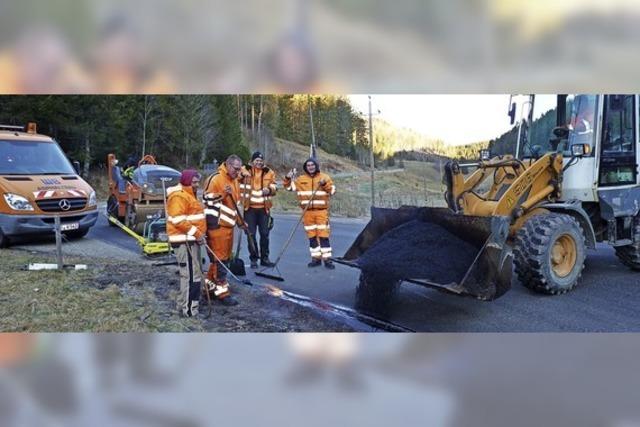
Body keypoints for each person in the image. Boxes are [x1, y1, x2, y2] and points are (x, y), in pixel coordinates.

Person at [203, 155, 246, 306]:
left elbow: (235, 206)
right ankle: (223, 294)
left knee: (221, 260)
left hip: (228, 227)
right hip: (216, 227)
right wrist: (223, 194)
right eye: (235, 168)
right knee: (220, 261)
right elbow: (206, 199)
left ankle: (208, 289)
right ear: (227, 165)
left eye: (239, 169)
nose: (238, 171)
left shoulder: (234, 181)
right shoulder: (215, 179)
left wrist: (241, 223)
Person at [166, 169, 207, 317]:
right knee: (191, 276)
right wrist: (197, 234)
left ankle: (184, 304)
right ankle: (190, 310)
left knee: (191, 275)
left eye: (198, 182)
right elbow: (178, 220)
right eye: (194, 182)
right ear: (186, 181)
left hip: (191, 241)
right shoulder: (179, 196)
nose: (197, 185)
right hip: (185, 242)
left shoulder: (189, 195)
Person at [283, 158, 336, 269]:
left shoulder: (324, 177)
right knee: (311, 237)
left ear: (316, 166)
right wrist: (288, 177)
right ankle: (316, 258)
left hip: (321, 212)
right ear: (305, 167)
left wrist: (324, 184)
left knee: (323, 236)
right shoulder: (301, 179)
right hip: (307, 213)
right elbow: (288, 188)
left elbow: (332, 191)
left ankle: (327, 260)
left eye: (312, 165)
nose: (310, 167)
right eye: (308, 165)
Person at [240, 151, 278, 268]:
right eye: (257, 160)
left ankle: (265, 258)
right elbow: (236, 177)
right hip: (249, 209)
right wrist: (242, 174)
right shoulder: (244, 170)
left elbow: (275, 186)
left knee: (265, 234)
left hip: (264, 209)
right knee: (250, 234)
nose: (259, 162)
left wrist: (270, 190)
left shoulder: (269, 172)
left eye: (261, 161)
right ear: (252, 161)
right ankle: (254, 259)